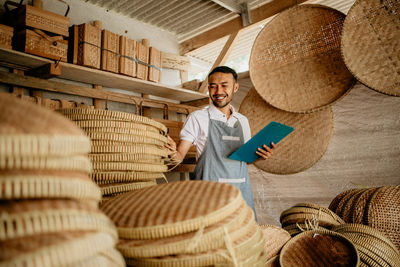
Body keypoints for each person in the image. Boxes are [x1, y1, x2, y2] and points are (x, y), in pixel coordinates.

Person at [165, 66, 276, 216]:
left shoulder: (242, 121)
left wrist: (261, 156)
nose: (218, 92)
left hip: (240, 193)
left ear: (235, 87)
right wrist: (171, 152)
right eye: (213, 86)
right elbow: (179, 156)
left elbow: (244, 160)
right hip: (209, 196)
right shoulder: (197, 118)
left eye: (224, 85)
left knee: (243, 236)